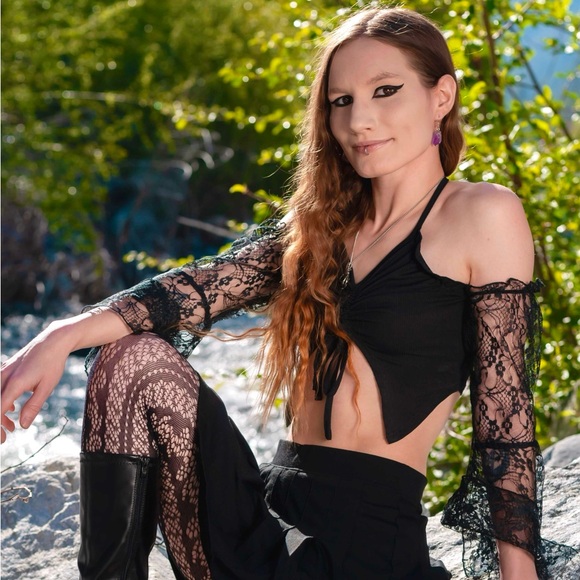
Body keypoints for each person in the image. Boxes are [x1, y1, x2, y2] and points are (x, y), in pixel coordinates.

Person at [1, 6, 575, 580]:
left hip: (361, 545)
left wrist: (518, 575)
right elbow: (195, 289)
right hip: (268, 514)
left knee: (135, 357)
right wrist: (60, 336)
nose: (359, 120)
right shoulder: (322, 228)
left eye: (385, 91)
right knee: (130, 358)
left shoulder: (481, 213)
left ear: (441, 96)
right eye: (341, 100)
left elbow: (505, 418)